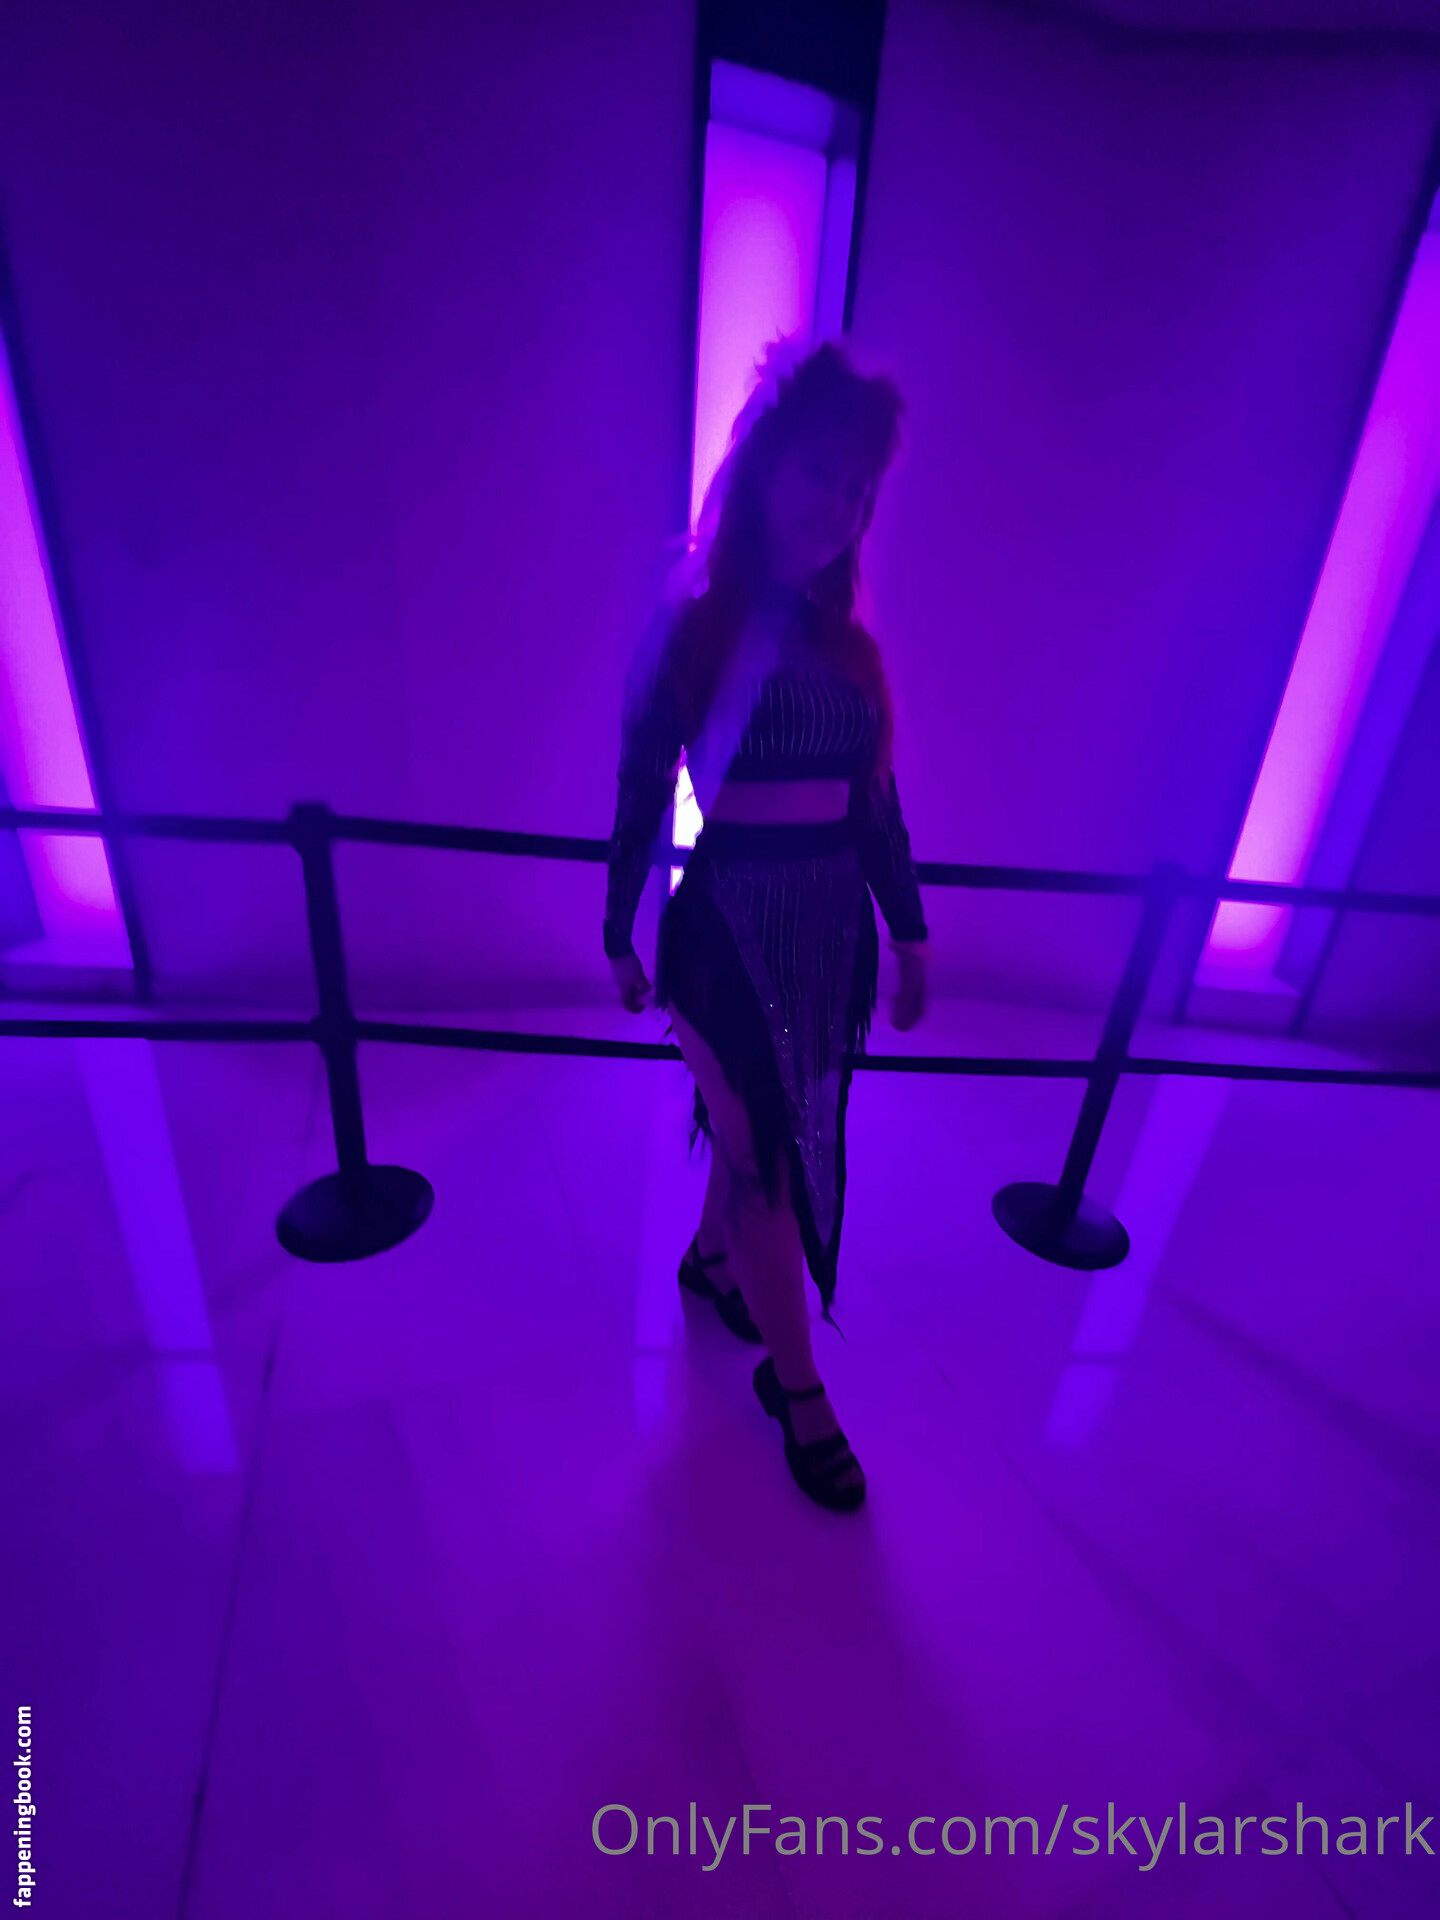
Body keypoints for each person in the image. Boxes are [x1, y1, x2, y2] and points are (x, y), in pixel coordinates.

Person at [603, 337, 929, 1513]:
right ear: (763, 471)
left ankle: (711, 1264)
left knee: (772, 1130)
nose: (837, 506)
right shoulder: (691, 630)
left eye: (857, 488)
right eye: (818, 473)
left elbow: (875, 805)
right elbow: (642, 789)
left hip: (831, 940)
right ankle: (798, 1391)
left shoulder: (852, 652)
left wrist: (911, 934)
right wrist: (616, 929)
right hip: (725, 937)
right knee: (767, 1162)